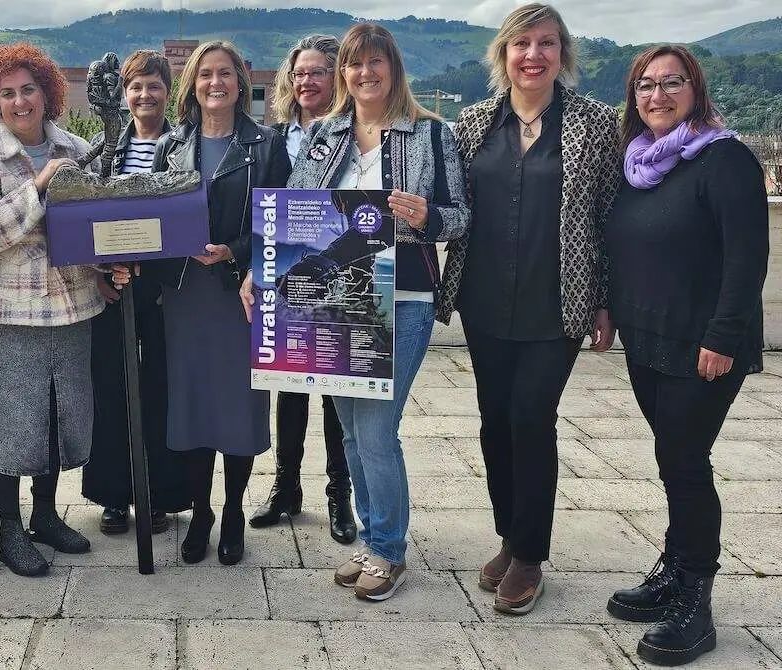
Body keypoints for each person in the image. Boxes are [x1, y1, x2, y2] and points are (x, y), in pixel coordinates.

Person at [439, 3, 620, 614]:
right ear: (503, 55)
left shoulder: (595, 124)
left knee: (530, 419)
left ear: (562, 54)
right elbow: (452, 208)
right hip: (484, 300)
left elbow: (608, 216)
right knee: (494, 422)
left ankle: (531, 555)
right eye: (521, 44)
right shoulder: (471, 125)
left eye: (546, 43)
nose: (533, 55)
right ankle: (509, 537)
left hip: (556, 304)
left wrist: (603, 298)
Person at [286, 23, 469, 601]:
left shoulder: (431, 135)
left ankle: (389, 550)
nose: (364, 74)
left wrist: (426, 217)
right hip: (336, 300)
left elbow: (463, 218)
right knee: (349, 430)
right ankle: (374, 542)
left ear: (393, 68)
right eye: (353, 64)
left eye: (375, 63)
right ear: (344, 73)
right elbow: (295, 212)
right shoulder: (325, 135)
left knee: (377, 431)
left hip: (405, 297)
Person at [604, 44, 768, 666]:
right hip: (648, 338)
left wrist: (723, 338)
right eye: (645, 85)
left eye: (672, 83)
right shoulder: (642, 163)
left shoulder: (723, 160)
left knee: (685, 459)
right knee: (672, 457)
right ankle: (673, 571)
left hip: (704, 345)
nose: (657, 95)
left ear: (695, 90)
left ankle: (695, 600)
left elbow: (746, 258)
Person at [0, 43, 130, 577]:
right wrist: (37, 187)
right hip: (8, 317)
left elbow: (95, 229)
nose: (19, 101)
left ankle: (46, 515)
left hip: (72, 310)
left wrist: (112, 268)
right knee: (13, 425)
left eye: (28, 89)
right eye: (6, 93)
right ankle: (10, 530)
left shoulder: (78, 148)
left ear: (47, 92)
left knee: (59, 418)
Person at [146, 41, 290, 566]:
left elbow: (280, 220)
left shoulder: (268, 146)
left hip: (239, 295)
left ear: (241, 79)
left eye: (225, 73)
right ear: (193, 84)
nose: (215, 83)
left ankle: (232, 512)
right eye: (205, 74)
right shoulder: (172, 144)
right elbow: (155, 218)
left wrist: (235, 251)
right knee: (194, 406)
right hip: (183, 296)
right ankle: (201, 511)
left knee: (238, 408)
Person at [251, 33, 357, 545]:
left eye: (318, 72)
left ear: (336, 76)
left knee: (338, 390)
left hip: (339, 267)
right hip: (286, 267)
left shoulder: (354, 130)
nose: (307, 81)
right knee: (289, 387)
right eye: (300, 73)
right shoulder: (274, 138)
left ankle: (340, 495)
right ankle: (285, 487)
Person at [81, 49, 189, 535]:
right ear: (125, 96)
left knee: (159, 388)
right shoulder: (107, 150)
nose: (144, 95)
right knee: (109, 386)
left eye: (153, 86)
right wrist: (103, 270)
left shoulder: (183, 146)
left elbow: (187, 216)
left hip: (161, 288)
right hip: (111, 288)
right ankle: (112, 494)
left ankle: (160, 493)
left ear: (168, 91)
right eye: (135, 87)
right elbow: (85, 217)